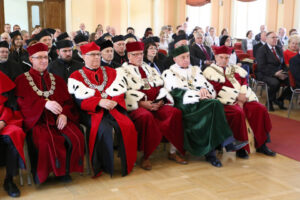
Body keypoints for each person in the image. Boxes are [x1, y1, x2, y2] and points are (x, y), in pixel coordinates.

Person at [162, 46, 247, 167]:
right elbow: (176, 92)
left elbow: (207, 85)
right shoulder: (169, 73)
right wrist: (198, 94)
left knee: (213, 106)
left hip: (202, 102)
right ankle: (225, 143)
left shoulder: (195, 69)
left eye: (187, 56)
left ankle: (213, 152)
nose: (186, 59)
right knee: (214, 106)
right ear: (175, 59)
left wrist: (205, 90)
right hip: (185, 105)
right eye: (182, 57)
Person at [15, 42, 85, 184]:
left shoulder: (57, 80)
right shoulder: (21, 80)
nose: (43, 60)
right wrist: (44, 104)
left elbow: (68, 102)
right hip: (38, 120)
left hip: (59, 118)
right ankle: (44, 174)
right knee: (46, 140)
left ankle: (65, 171)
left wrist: (64, 114)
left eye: (46, 57)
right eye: (39, 57)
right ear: (31, 60)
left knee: (76, 135)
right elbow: (22, 105)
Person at [68, 42, 137, 177]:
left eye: (98, 55)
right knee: (103, 129)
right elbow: (78, 99)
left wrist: (113, 101)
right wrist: (99, 101)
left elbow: (120, 91)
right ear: (83, 56)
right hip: (91, 112)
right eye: (92, 55)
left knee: (127, 125)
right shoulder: (75, 76)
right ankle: (104, 165)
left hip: (113, 108)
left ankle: (127, 162)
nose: (96, 58)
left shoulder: (112, 72)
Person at [117, 41, 187, 170]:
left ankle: (173, 151)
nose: (139, 57)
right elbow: (122, 93)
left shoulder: (150, 68)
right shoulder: (120, 71)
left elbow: (162, 85)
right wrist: (141, 103)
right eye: (135, 54)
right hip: (137, 107)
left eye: (140, 54)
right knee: (146, 117)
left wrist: (161, 99)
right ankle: (146, 156)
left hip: (157, 103)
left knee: (175, 112)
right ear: (128, 56)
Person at [204, 45, 276, 159]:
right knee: (238, 113)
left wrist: (243, 95)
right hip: (225, 101)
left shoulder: (235, 69)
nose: (224, 60)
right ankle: (240, 148)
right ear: (216, 57)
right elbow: (216, 88)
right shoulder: (209, 71)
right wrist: (237, 97)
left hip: (243, 97)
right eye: (221, 57)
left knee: (260, 109)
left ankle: (262, 144)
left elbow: (244, 82)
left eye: (227, 58)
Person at [0, 66, 25, 198]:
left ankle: (9, 179)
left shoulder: (2, 78)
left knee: (14, 135)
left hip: (4, 121)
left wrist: (3, 121)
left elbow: (11, 104)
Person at [256, 32, 291, 111]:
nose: (275, 39)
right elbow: (261, 67)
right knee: (275, 83)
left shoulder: (279, 48)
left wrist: (285, 72)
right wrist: (275, 74)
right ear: (267, 39)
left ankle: (279, 99)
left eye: (276, 37)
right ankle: (269, 101)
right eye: (273, 37)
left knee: (292, 82)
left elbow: (283, 63)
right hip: (265, 73)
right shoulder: (262, 50)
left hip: (279, 72)